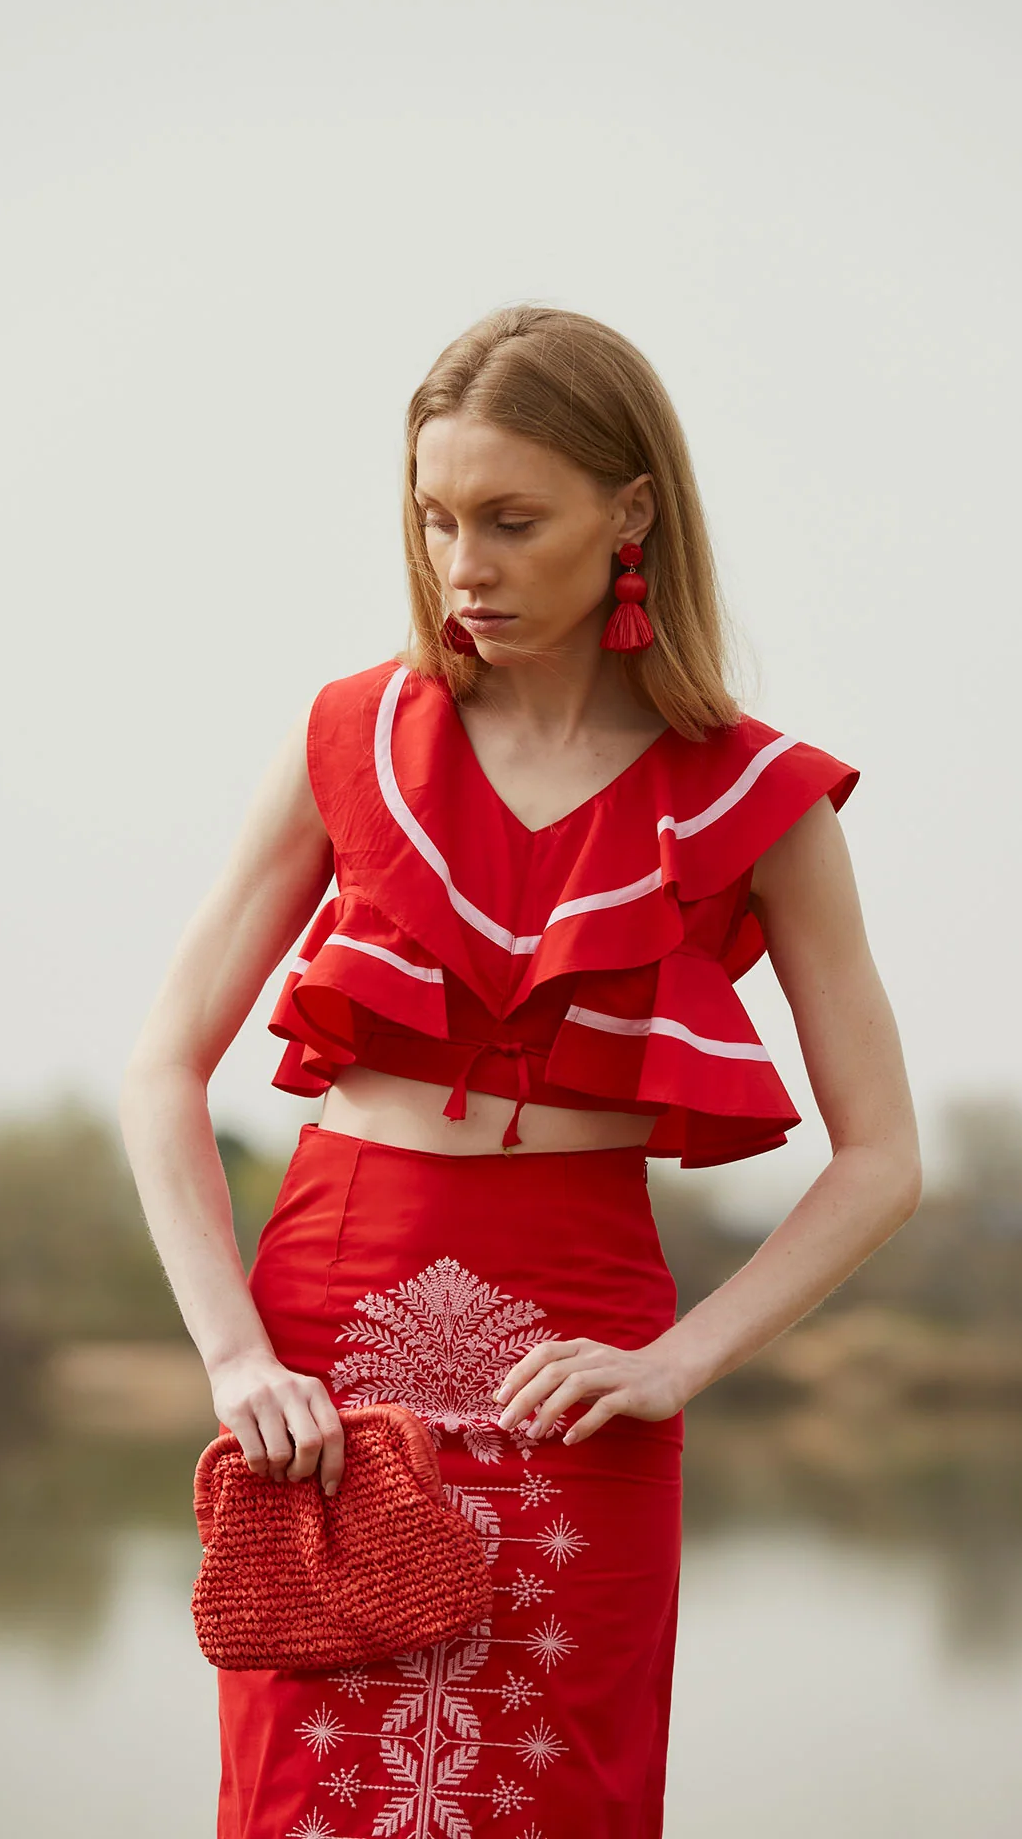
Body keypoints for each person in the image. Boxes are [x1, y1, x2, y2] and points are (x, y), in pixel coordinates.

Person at [119, 303, 921, 1838]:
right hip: (326, 1360)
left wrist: (682, 1360)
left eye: (510, 520)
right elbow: (163, 1067)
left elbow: (884, 1157)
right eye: (434, 519)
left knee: (561, 1793)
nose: (461, 565)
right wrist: (234, 1360)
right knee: (308, 1794)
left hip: (584, 1384)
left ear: (632, 513)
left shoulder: (758, 796)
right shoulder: (350, 736)